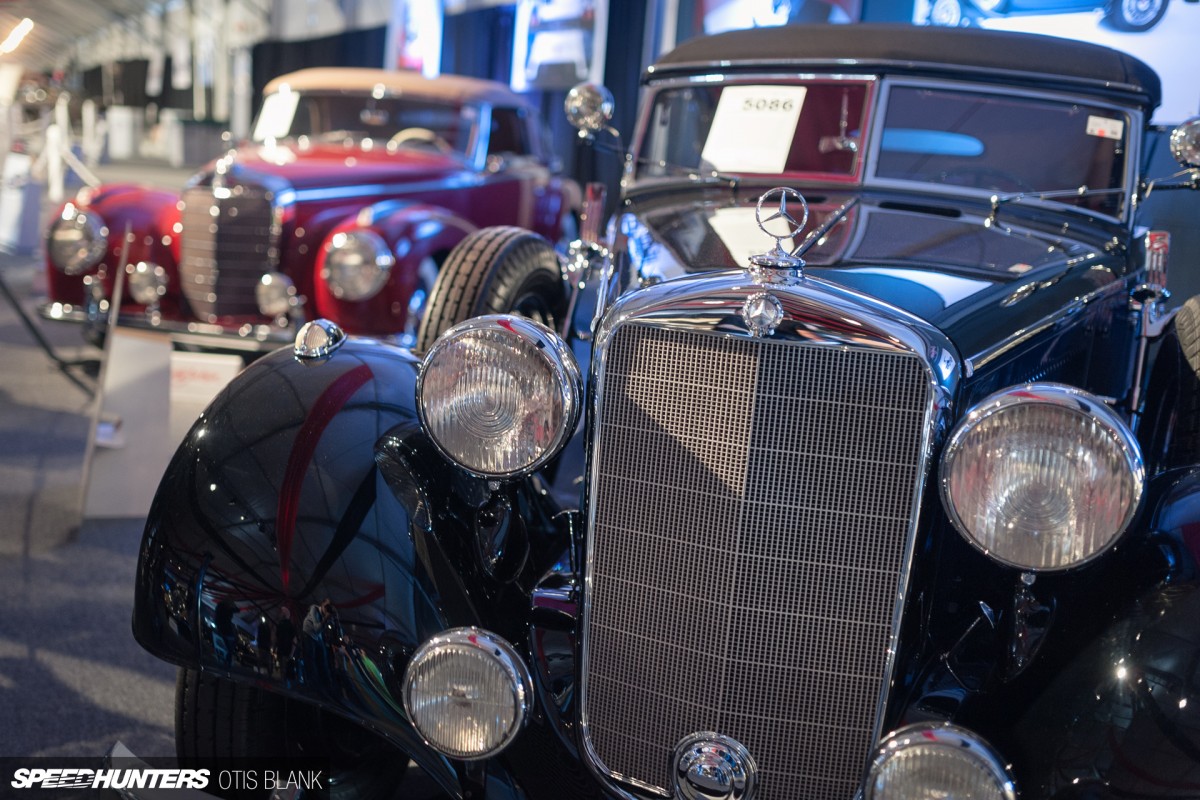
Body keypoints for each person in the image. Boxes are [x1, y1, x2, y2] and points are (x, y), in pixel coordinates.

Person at [275, 607, 297, 684]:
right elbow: (294, 640)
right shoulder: (288, 625)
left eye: (281, 612)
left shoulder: (284, 625)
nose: (279, 614)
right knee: (283, 669)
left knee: (283, 669)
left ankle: (283, 685)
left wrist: (291, 654)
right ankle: (284, 685)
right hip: (284, 650)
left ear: (284, 614)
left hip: (284, 651)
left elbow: (294, 640)